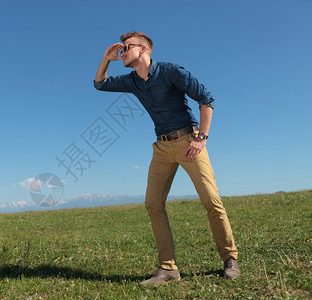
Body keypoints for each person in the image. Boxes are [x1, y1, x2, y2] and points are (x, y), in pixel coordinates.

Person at [93, 32, 240, 286]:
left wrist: (201, 138)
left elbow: (207, 100)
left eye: (128, 47)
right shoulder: (132, 81)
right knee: (153, 204)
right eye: (122, 48)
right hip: (161, 147)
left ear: (145, 49)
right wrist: (106, 60)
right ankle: (168, 268)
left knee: (210, 198)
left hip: (188, 142)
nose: (123, 52)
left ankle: (230, 259)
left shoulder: (172, 71)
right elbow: (100, 84)